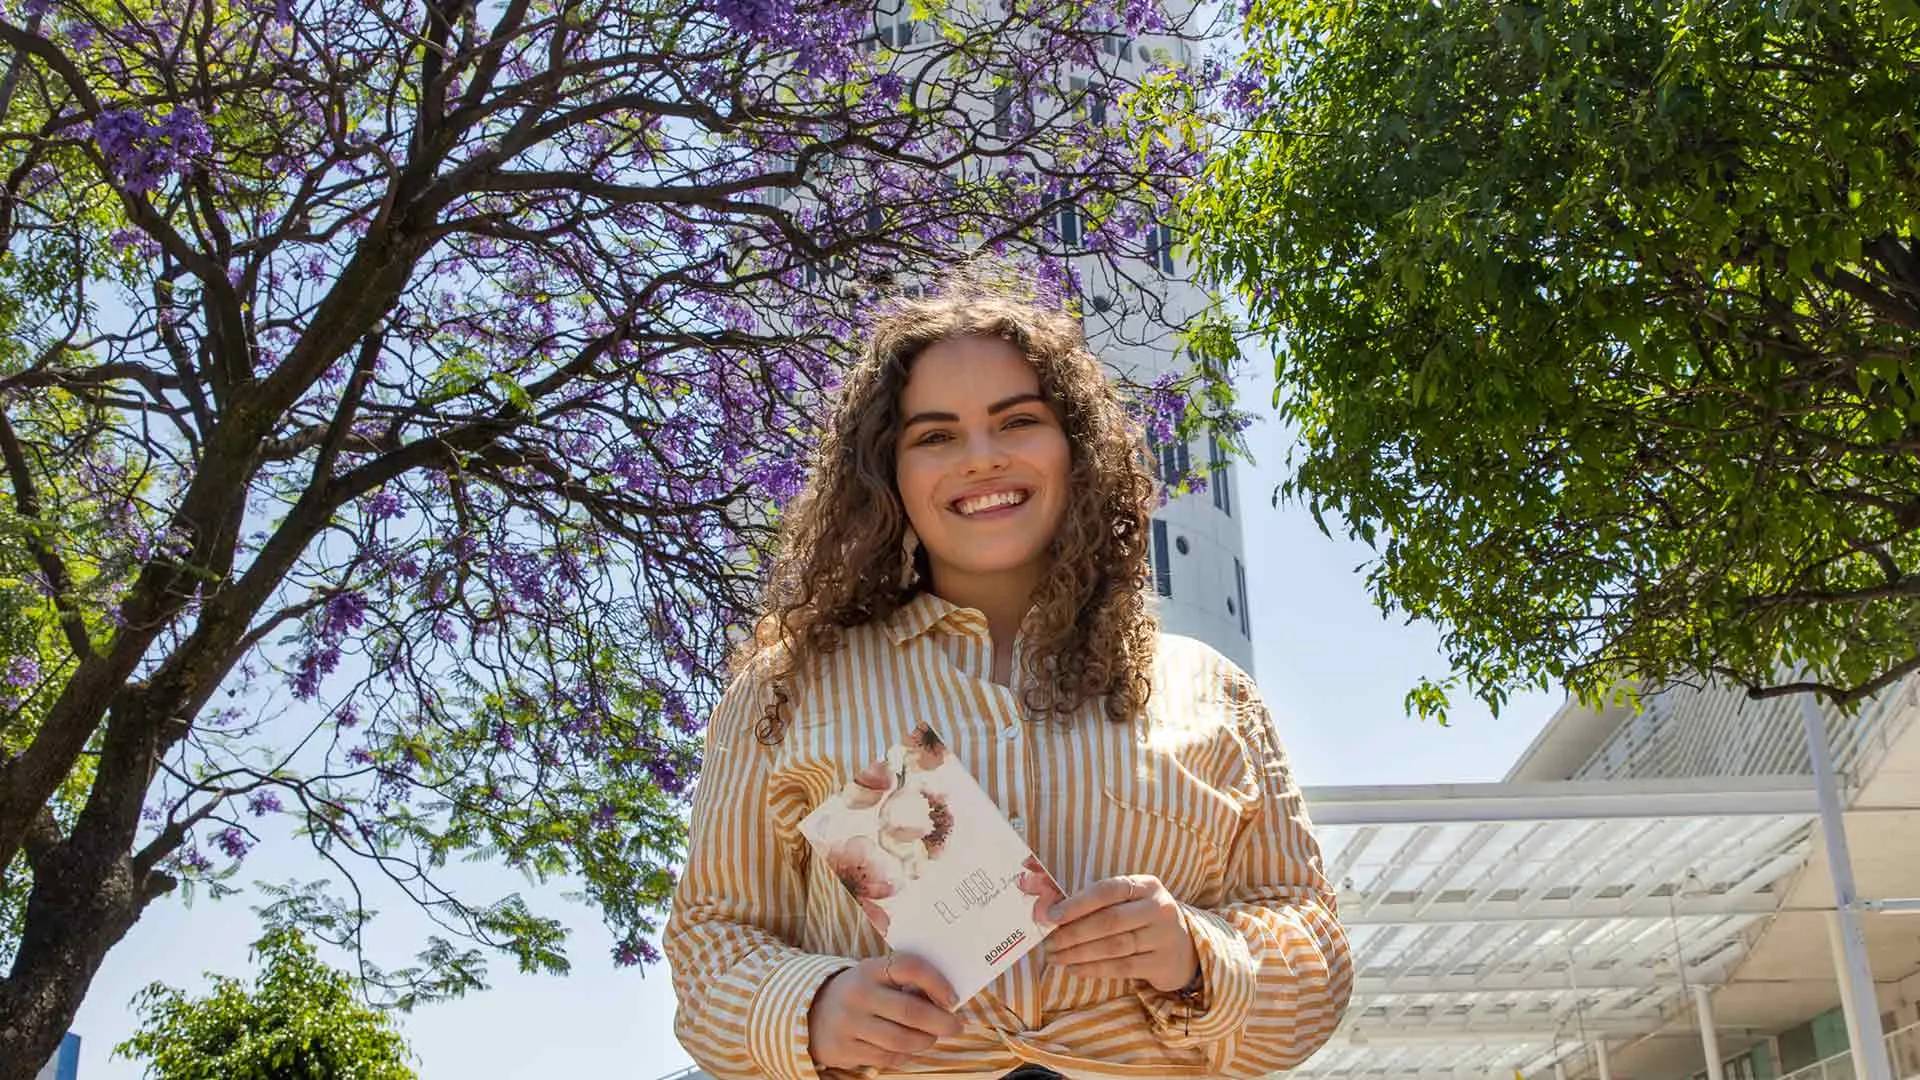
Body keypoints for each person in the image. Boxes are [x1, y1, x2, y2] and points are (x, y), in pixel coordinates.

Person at [663, 272, 1353, 1080]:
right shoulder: (789, 690)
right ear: (890, 475)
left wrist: (1197, 955)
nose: (981, 460)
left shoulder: (1213, 694)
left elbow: (1316, 959)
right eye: (935, 436)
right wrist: (812, 1006)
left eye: (1017, 422)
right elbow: (710, 945)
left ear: (1078, 449)